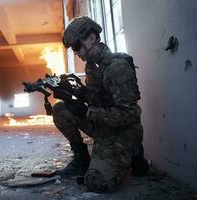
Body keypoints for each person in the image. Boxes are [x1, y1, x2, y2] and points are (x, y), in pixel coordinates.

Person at [52, 16, 149, 193]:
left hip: (123, 132)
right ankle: (81, 160)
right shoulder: (92, 66)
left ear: (91, 38)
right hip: (104, 125)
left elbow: (129, 114)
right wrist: (75, 91)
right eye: (73, 49)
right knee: (60, 110)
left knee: (97, 182)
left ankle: (134, 154)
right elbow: (96, 97)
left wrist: (88, 112)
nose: (76, 52)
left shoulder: (117, 67)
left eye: (76, 46)